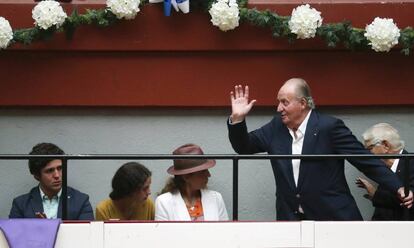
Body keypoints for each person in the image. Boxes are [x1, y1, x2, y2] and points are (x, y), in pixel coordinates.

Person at [227, 78, 413, 220]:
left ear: (303, 103)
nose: (279, 108)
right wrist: (237, 119)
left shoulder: (329, 127)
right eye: (278, 102)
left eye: (285, 102)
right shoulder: (276, 127)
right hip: (292, 220)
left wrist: (397, 186)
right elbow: (244, 147)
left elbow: (364, 159)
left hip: (332, 217)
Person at [9, 143, 93, 220]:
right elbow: (15, 235)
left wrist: (50, 227)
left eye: (60, 168)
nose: (57, 175)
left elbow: (86, 235)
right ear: (36, 176)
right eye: (50, 171)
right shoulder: (20, 204)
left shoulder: (81, 201)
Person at [155, 143, 228, 221]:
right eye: (203, 171)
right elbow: (163, 232)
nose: (209, 175)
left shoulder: (216, 198)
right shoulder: (164, 202)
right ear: (186, 176)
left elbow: (225, 230)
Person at [356, 123, 414, 220]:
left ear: (386, 145)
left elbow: (408, 200)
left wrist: (375, 194)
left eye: (370, 148)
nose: (367, 154)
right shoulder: (385, 170)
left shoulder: (411, 163)